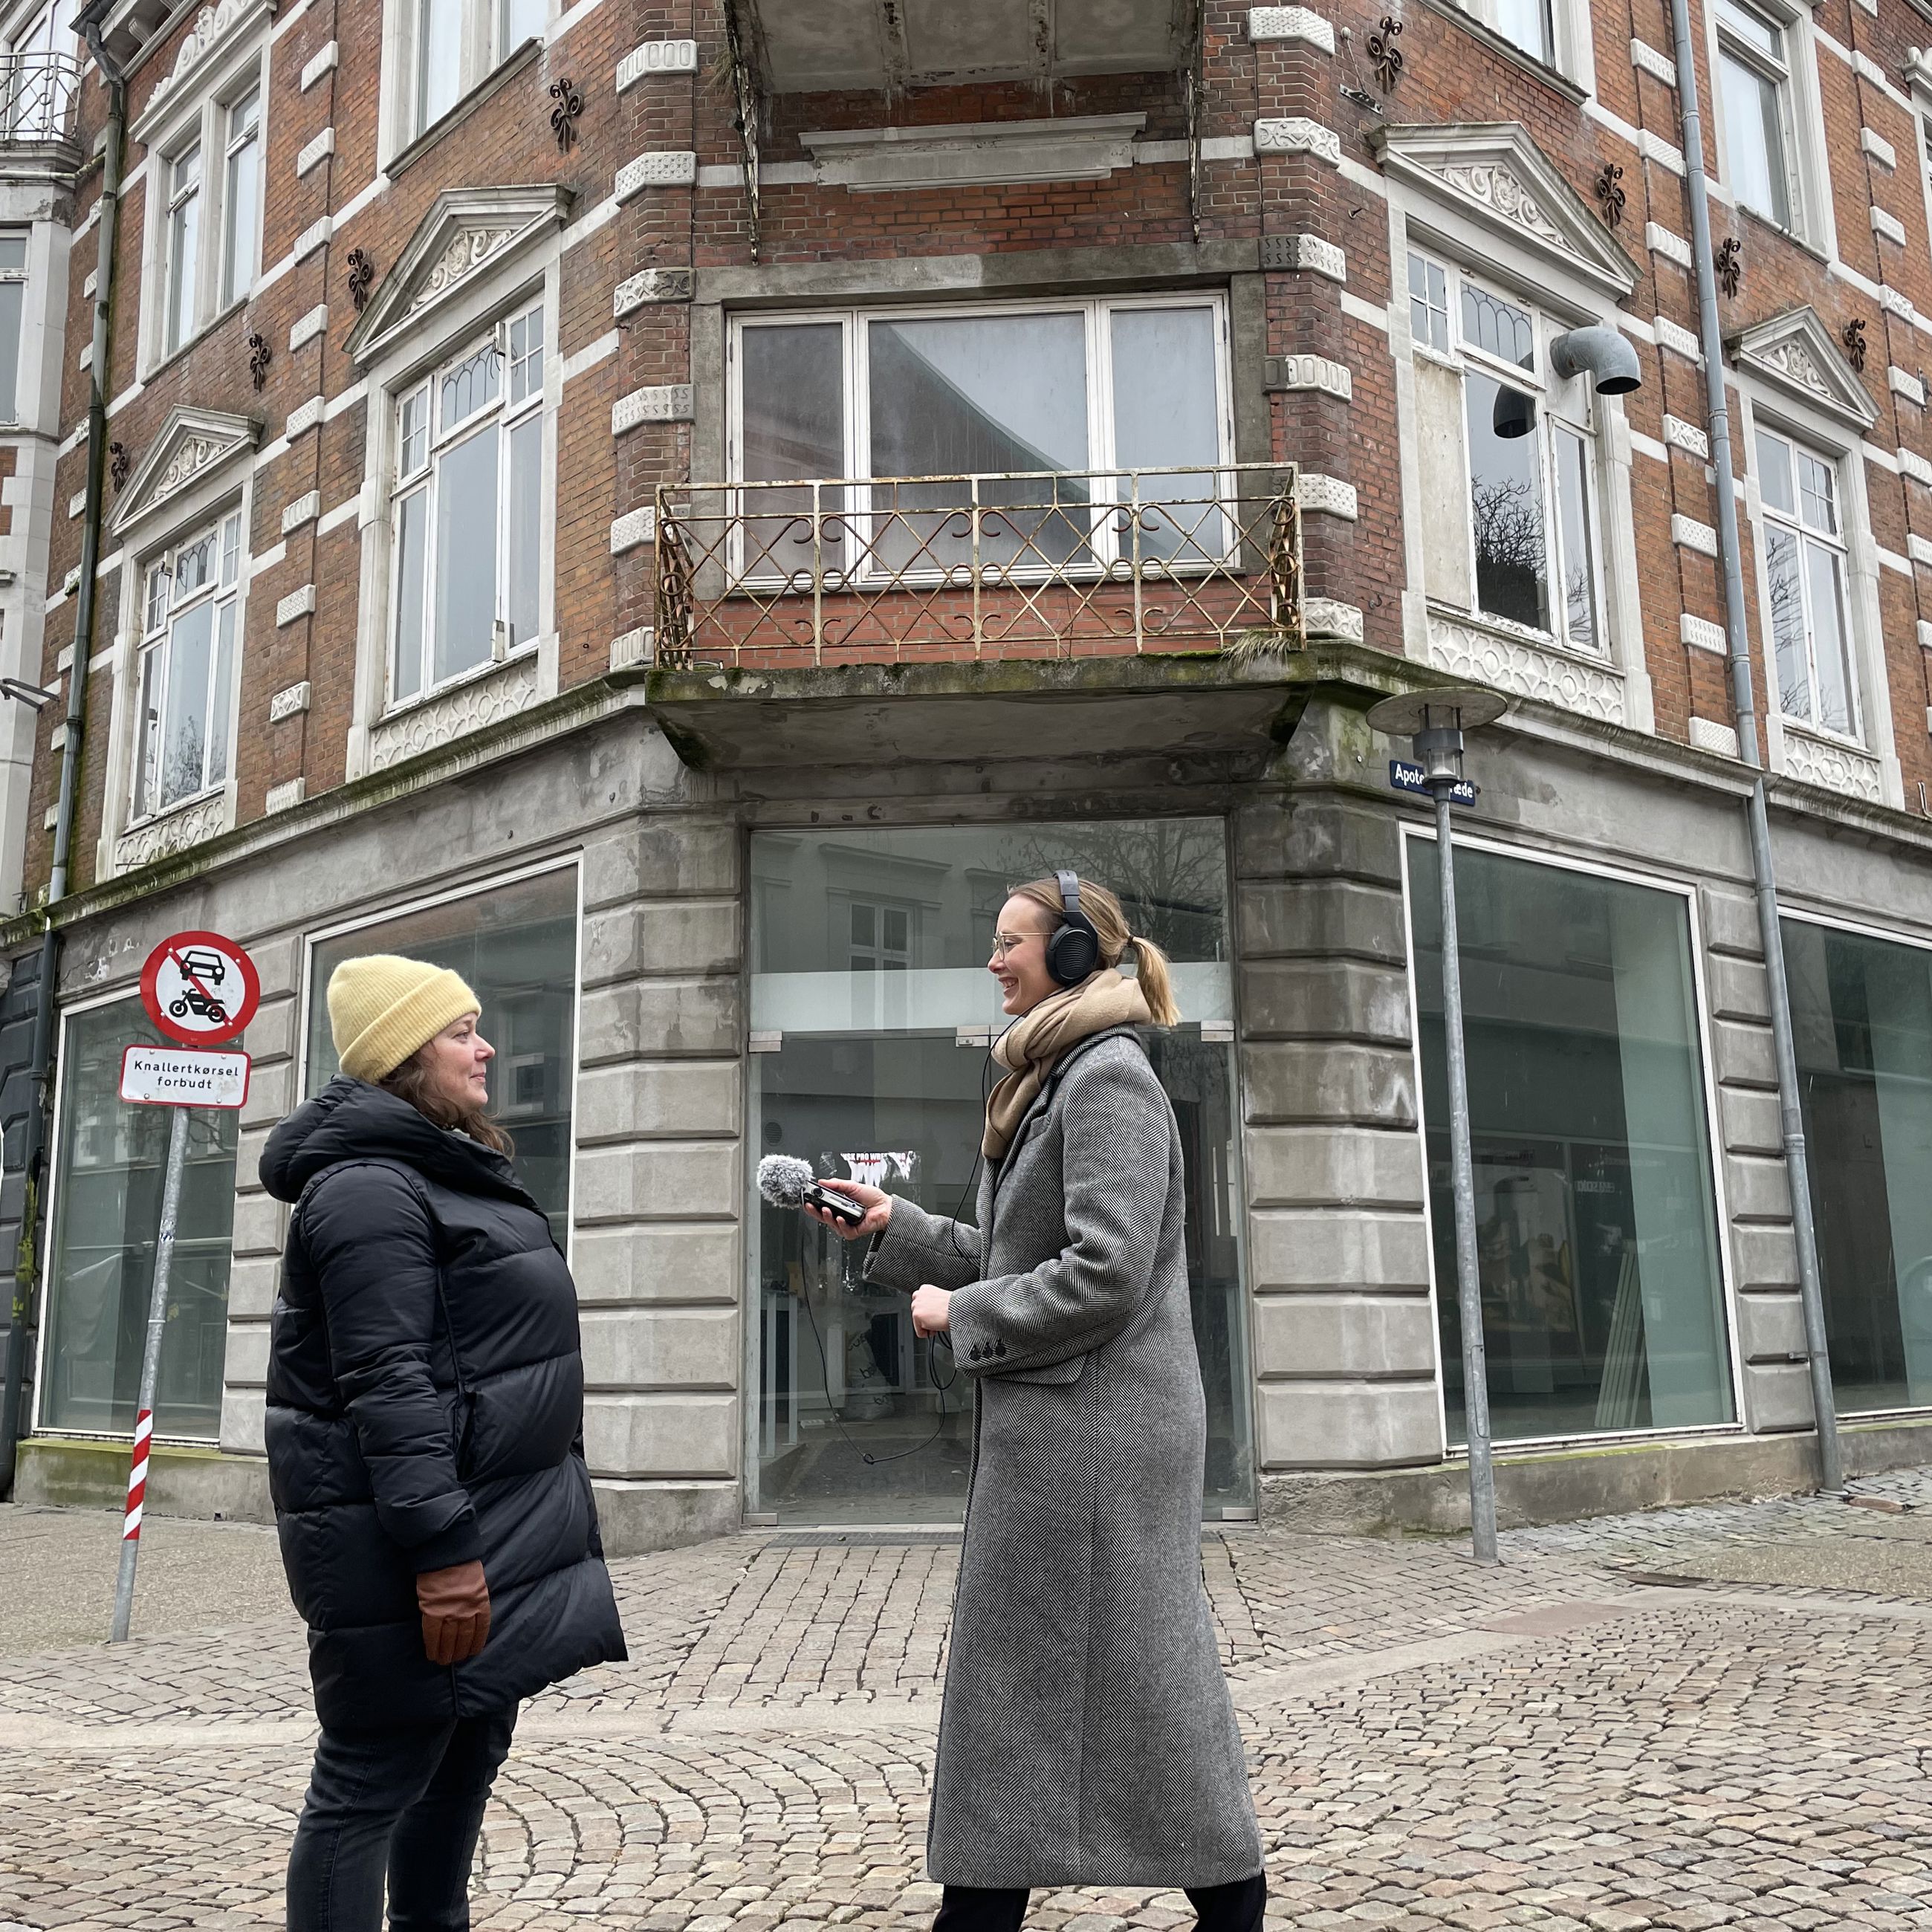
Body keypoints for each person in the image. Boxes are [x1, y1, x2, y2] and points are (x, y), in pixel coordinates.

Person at [808, 874, 1265, 1932]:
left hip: (1099, 1436)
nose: (991, 959)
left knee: (1120, 1679)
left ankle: (1221, 1893)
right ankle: (1014, 1900)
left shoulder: (1107, 1079)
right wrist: (896, 1231)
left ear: (1070, 956)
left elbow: (1104, 1272)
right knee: (1055, 1689)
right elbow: (1013, 1253)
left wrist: (954, 1313)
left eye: (1009, 942)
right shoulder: (1051, 1076)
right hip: (1067, 1431)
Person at [261, 954, 626, 1932]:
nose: (486, 1046)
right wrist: (443, 1555)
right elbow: (389, 1382)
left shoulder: (438, 1172)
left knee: (458, 1770)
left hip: (488, 1535)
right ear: (403, 1056)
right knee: (368, 1783)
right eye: (461, 1031)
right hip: (422, 1555)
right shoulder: (369, 1191)